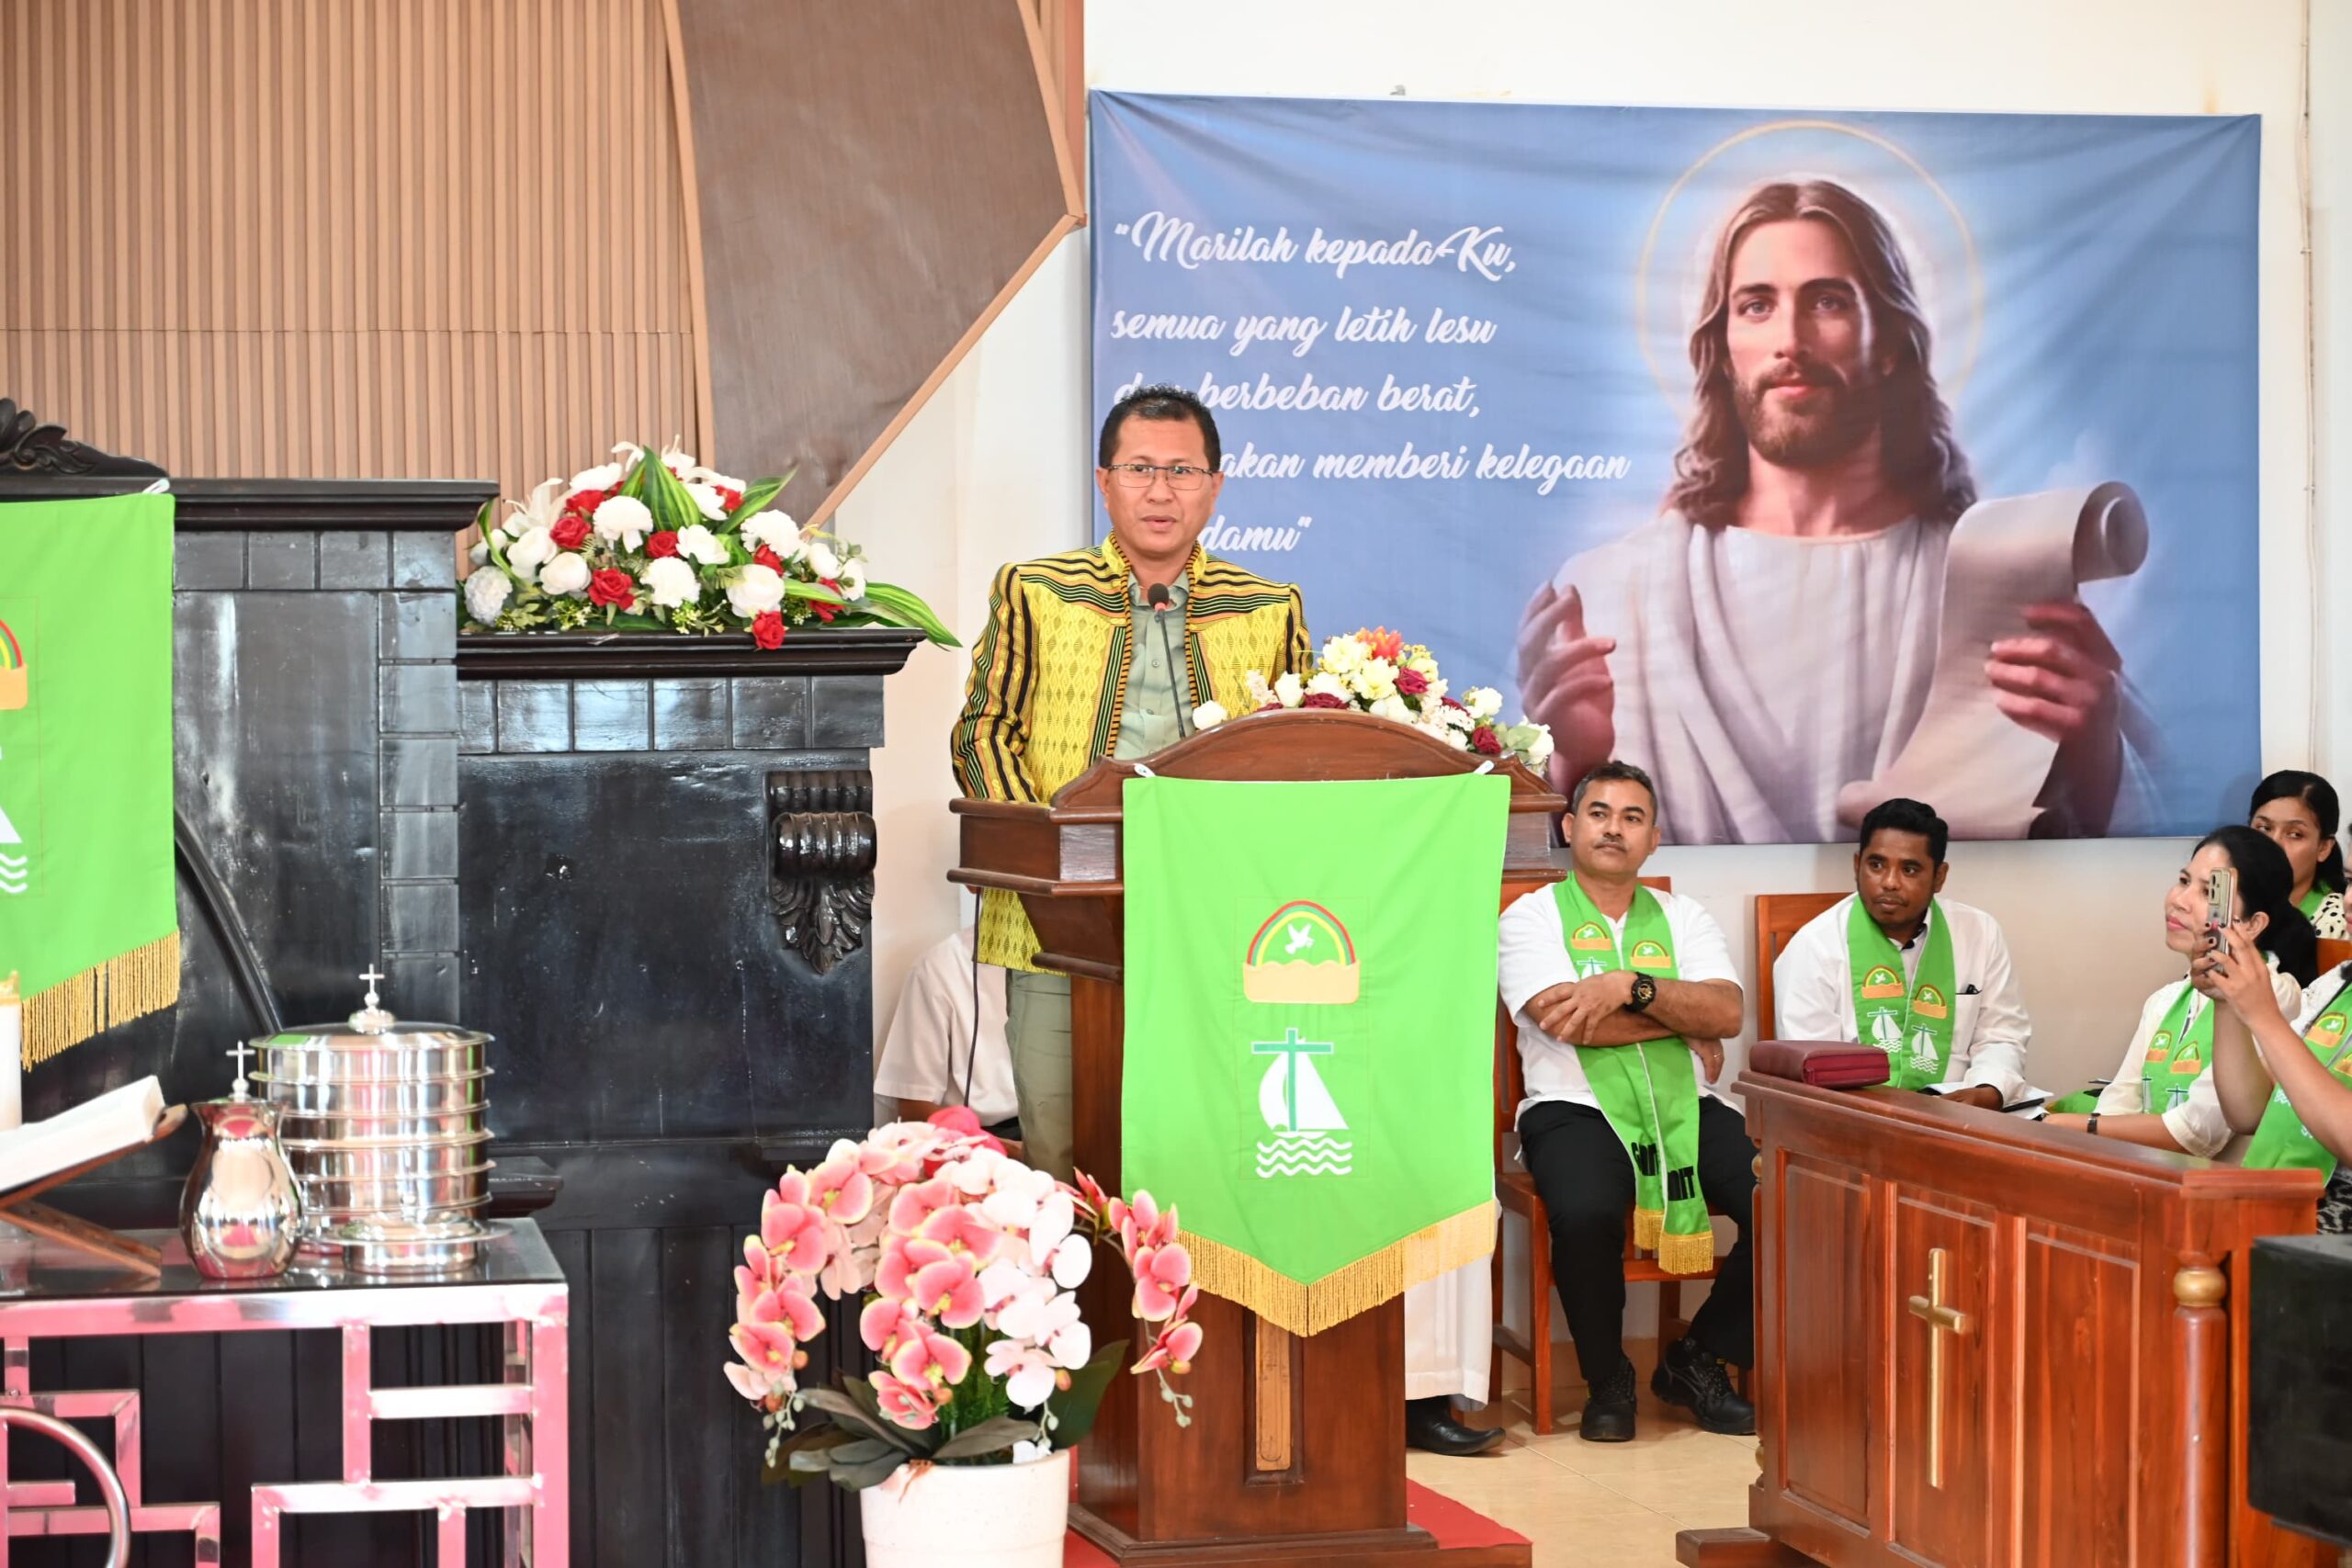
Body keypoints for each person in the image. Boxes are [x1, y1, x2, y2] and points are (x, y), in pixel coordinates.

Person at [1517, 178, 2147, 844]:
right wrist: (1574, 764)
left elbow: (2124, 825)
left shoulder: (1995, 578)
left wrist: (2093, 746)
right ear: (1722, 351)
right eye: (1756, 306)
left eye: (1828, 301)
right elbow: (1548, 867)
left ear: (1892, 344)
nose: (1791, 339)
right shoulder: (1615, 594)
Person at [951, 383, 1311, 1183]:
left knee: (1208, 1152)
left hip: (1219, 918)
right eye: (1140, 468)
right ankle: (1076, 1311)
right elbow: (984, 730)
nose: (1160, 490)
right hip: (1058, 922)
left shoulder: (1268, 607)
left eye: (1182, 472)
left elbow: (1296, 755)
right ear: (1103, 481)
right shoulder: (1037, 592)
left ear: (1216, 485)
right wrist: (1041, 848)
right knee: (1061, 1146)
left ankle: (1187, 1309)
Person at [1498, 761, 1753, 1441]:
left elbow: (1727, 1010)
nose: (1615, 828)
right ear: (1569, 825)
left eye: (1632, 817)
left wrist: (1630, 986)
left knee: (1790, 1200)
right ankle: (1609, 1378)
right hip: (1573, 1105)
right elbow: (1568, 1022)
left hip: (1686, 1101)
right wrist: (1680, 1015)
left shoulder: (1683, 916)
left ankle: (1696, 1359)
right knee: (1584, 1212)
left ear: (1654, 837)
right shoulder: (1531, 917)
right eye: (1601, 813)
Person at [2043, 828, 2315, 1152]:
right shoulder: (2165, 1000)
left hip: (2212, 1189)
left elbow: (2198, 1133)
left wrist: (2079, 1126)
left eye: (2208, 893)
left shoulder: (2276, 996)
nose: (2179, 901)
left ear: (2252, 924)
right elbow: (2120, 1099)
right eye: (2184, 881)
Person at [1773, 797, 2030, 1108]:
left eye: (1909, 869)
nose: (1889, 883)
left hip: (1960, 1116)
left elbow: (2002, 1034)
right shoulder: (1814, 945)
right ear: (1857, 865)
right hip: (1854, 1119)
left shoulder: (1980, 933)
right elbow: (1815, 1068)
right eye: (1876, 865)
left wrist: (1989, 1089)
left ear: (1939, 877)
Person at [2203, 910, 2352, 1232]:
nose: (2349, 900)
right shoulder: (2337, 982)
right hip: (2271, 1204)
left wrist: (2264, 1018)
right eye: (2351, 881)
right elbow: (2248, 1113)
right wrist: (2227, 1001)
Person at [872, 924, 1018, 1139]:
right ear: (973, 887)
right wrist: (1006, 1149)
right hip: (987, 1144)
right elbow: (915, 1107)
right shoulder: (939, 967)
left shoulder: (1078, 958)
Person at [2248, 770, 2350, 940]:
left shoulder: (2339, 922)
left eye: (2295, 834)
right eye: (2264, 828)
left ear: (2323, 847)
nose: (2274, 844)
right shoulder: (2228, 904)